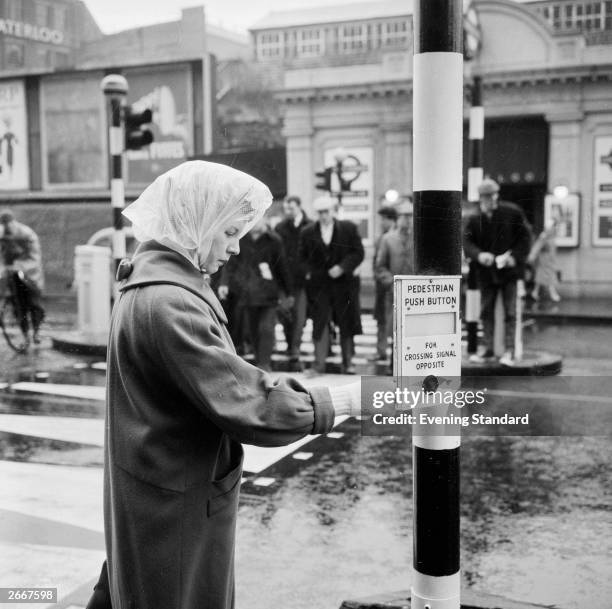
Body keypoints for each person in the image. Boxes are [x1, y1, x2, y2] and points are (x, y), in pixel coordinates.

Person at [86, 161, 361, 609]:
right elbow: (247, 402)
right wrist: (351, 398)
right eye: (230, 232)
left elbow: (223, 375)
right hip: (175, 512)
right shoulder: (170, 302)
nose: (235, 247)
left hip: (155, 495)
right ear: (198, 224)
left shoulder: (150, 284)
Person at [463, 178, 532, 366]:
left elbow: (526, 238)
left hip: (509, 271)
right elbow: (467, 243)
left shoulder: (512, 212)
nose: (491, 199)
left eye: (493, 195)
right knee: (486, 311)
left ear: (497, 195)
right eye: (486, 196)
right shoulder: (474, 218)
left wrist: (515, 257)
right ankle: (488, 349)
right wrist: (479, 255)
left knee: (510, 312)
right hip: (486, 273)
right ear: (481, 198)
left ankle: (509, 351)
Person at [299, 195, 364, 376]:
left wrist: (343, 267)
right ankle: (319, 365)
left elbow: (358, 253)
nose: (323, 216)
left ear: (333, 211)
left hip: (344, 285)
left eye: (326, 212)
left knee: (346, 323)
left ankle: (348, 362)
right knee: (320, 323)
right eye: (320, 213)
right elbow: (301, 258)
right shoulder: (307, 232)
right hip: (320, 286)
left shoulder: (348, 228)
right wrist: (311, 273)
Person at [219, 216, 292, 371]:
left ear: (265, 220)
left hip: (269, 293)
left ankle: (264, 363)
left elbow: (282, 267)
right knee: (252, 329)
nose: (255, 223)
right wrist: (224, 283)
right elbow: (230, 262)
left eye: (258, 220)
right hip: (247, 293)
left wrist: (288, 292)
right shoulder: (241, 239)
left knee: (266, 328)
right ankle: (260, 362)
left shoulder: (274, 240)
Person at [274, 195, 312, 369]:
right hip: (283, 279)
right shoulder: (280, 227)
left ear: (299, 207)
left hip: (301, 280)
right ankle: (291, 345)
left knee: (299, 317)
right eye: (286, 209)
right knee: (285, 315)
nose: (288, 211)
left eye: (291, 208)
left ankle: (294, 348)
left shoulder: (310, 225)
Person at [375, 200, 415, 364]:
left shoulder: (420, 238)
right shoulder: (388, 239)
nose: (407, 220)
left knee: (413, 334)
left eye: (410, 216)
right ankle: (395, 366)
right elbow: (380, 266)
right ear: (397, 218)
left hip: (415, 293)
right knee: (396, 332)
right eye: (404, 216)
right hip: (395, 292)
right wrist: (391, 282)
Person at [0, 208, 45, 343]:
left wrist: (19, 266)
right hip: (13, 276)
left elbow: (35, 257)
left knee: (34, 303)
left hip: (30, 276)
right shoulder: (2, 235)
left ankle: (36, 331)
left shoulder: (27, 234)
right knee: (18, 306)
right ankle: (25, 334)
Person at [370, 204, 398, 362]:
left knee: (391, 320)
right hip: (382, 285)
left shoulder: (393, 238)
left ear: (391, 220)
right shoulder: (382, 237)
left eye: (383, 219)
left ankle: (388, 351)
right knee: (381, 319)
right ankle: (381, 350)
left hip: (392, 285)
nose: (381, 222)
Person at [528, 218, 561, 303]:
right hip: (544, 260)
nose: (556, 228)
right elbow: (537, 246)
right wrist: (532, 255)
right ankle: (553, 294)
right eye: (554, 226)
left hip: (550, 260)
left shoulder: (551, 236)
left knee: (541, 276)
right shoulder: (544, 236)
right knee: (548, 276)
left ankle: (535, 292)